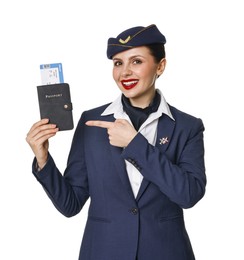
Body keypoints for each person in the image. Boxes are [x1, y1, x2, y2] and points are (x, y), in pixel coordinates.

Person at [26, 24, 206, 260]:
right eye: (118, 63)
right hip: (103, 252)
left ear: (160, 66)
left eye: (137, 61)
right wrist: (43, 160)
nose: (125, 72)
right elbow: (70, 204)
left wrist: (135, 144)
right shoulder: (90, 122)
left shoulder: (187, 126)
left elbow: (189, 195)